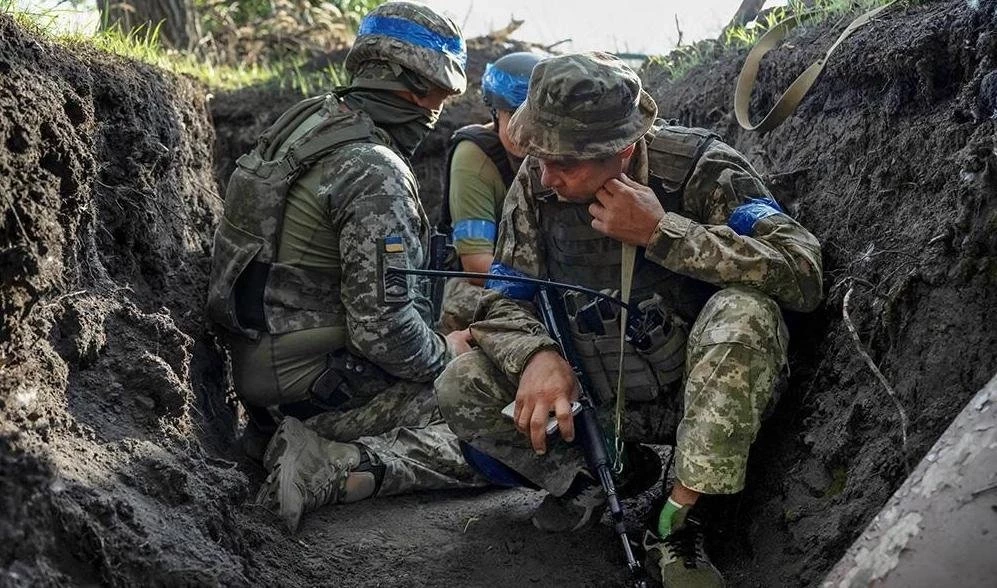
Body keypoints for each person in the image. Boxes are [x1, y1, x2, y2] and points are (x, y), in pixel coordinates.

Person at [435, 52, 823, 587]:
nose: (546, 176)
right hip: (598, 396)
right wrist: (536, 356)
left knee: (745, 313)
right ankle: (599, 477)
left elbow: (802, 271)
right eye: (538, 157)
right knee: (462, 381)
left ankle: (677, 520)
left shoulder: (699, 167)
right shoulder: (538, 182)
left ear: (621, 150)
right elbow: (503, 298)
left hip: (701, 394)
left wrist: (665, 234)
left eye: (564, 163)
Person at [206, 0, 483, 533]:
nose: (437, 110)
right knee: (510, 427)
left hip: (263, 372)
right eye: (438, 95)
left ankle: (281, 436)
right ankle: (330, 462)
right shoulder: (374, 171)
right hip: (318, 389)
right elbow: (384, 333)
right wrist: (446, 355)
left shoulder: (308, 123)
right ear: (409, 85)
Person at [438, 51, 543, 332]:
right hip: (499, 278)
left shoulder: (561, 150)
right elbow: (475, 264)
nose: (524, 131)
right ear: (496, 113)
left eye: (534, 119)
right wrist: (545, 291)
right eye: (514, 116)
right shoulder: (475, 156)